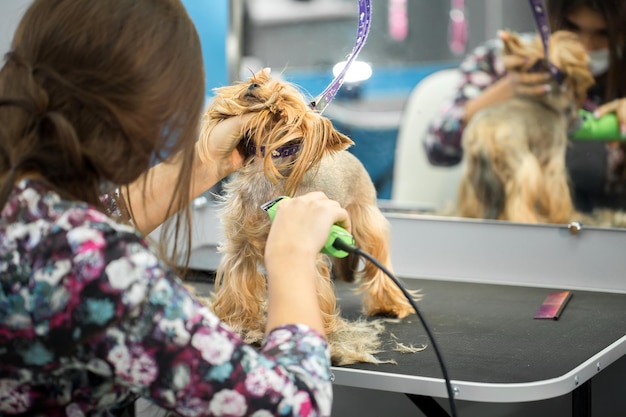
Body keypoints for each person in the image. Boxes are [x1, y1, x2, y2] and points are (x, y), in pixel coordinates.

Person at [0, 1, 344, 416]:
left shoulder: (21, 205)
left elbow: (85, 221)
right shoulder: (98, 269)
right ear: (154, 107)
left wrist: (209, 160)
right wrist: (291, 257)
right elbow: (293, 408)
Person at [424, 0, 626, 213]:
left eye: (604, 34)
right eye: (572, 28)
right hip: (504, 221)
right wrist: (504, 90)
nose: (586, 45)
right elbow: (437, 148)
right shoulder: (502, 60)